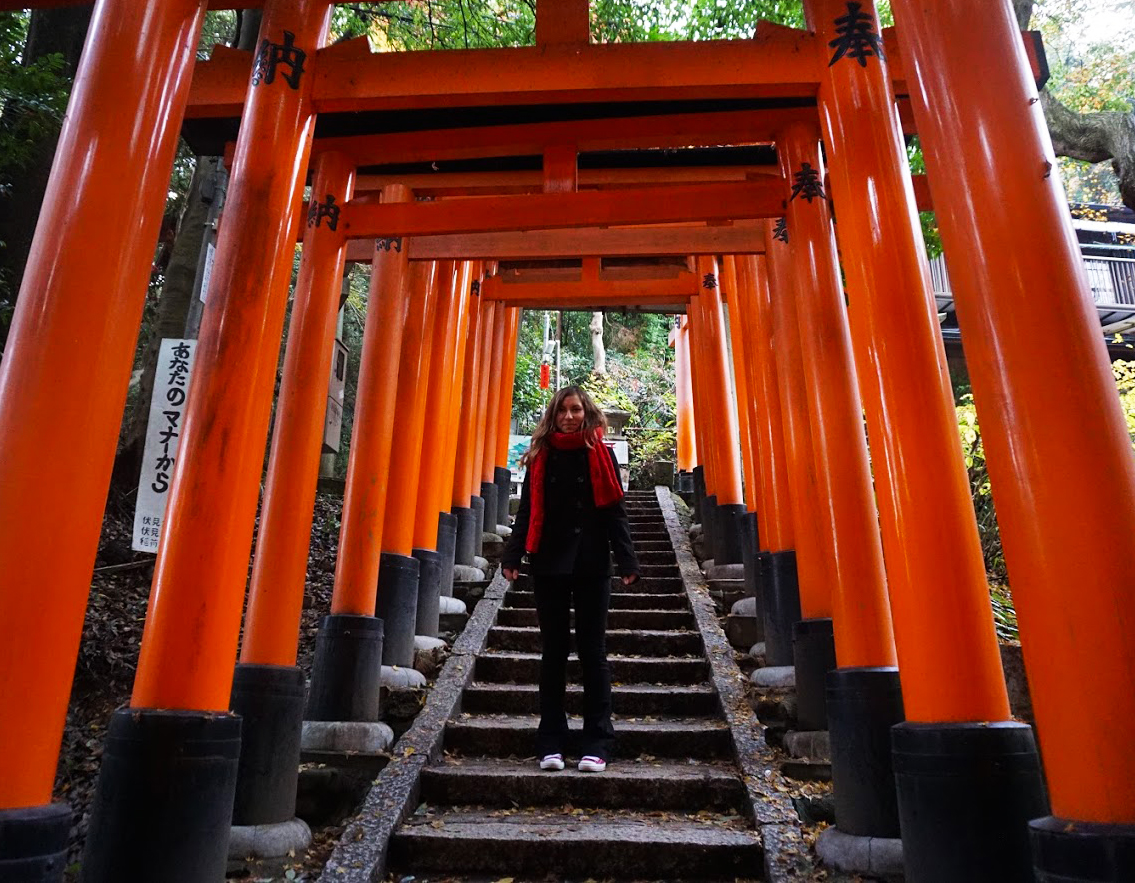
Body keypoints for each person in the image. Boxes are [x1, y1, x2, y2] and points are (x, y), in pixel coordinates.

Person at [502, 386, 640, 774]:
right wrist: (513, 556)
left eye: (576, 409)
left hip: (593, 562)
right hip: (548, 563)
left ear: (587, 413)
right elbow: (528, 510)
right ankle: (551, 741)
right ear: (553, 414)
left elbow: (615, 510)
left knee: (593, 653)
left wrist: (626, 558)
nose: (568, 416)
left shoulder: (602, 455)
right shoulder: (541, 457)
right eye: (562, 410)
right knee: (553, 653)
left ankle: (597, 740)